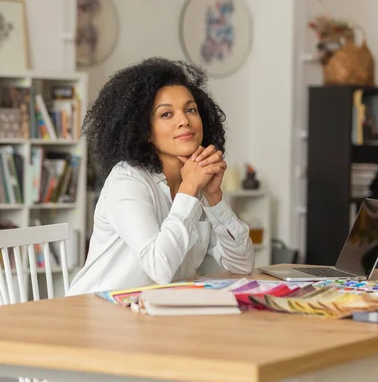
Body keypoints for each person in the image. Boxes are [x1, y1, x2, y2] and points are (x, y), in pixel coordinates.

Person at [67, 57, 255, 295]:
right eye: (166, 114)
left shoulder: (196, 180)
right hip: (96, 314)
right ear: (144, 130)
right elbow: (160, 268)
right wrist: (189, 189)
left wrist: (214, 196)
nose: (184, 121)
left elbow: (242, 264)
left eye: (190, 110)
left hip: (156, 315)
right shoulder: (127, 180)